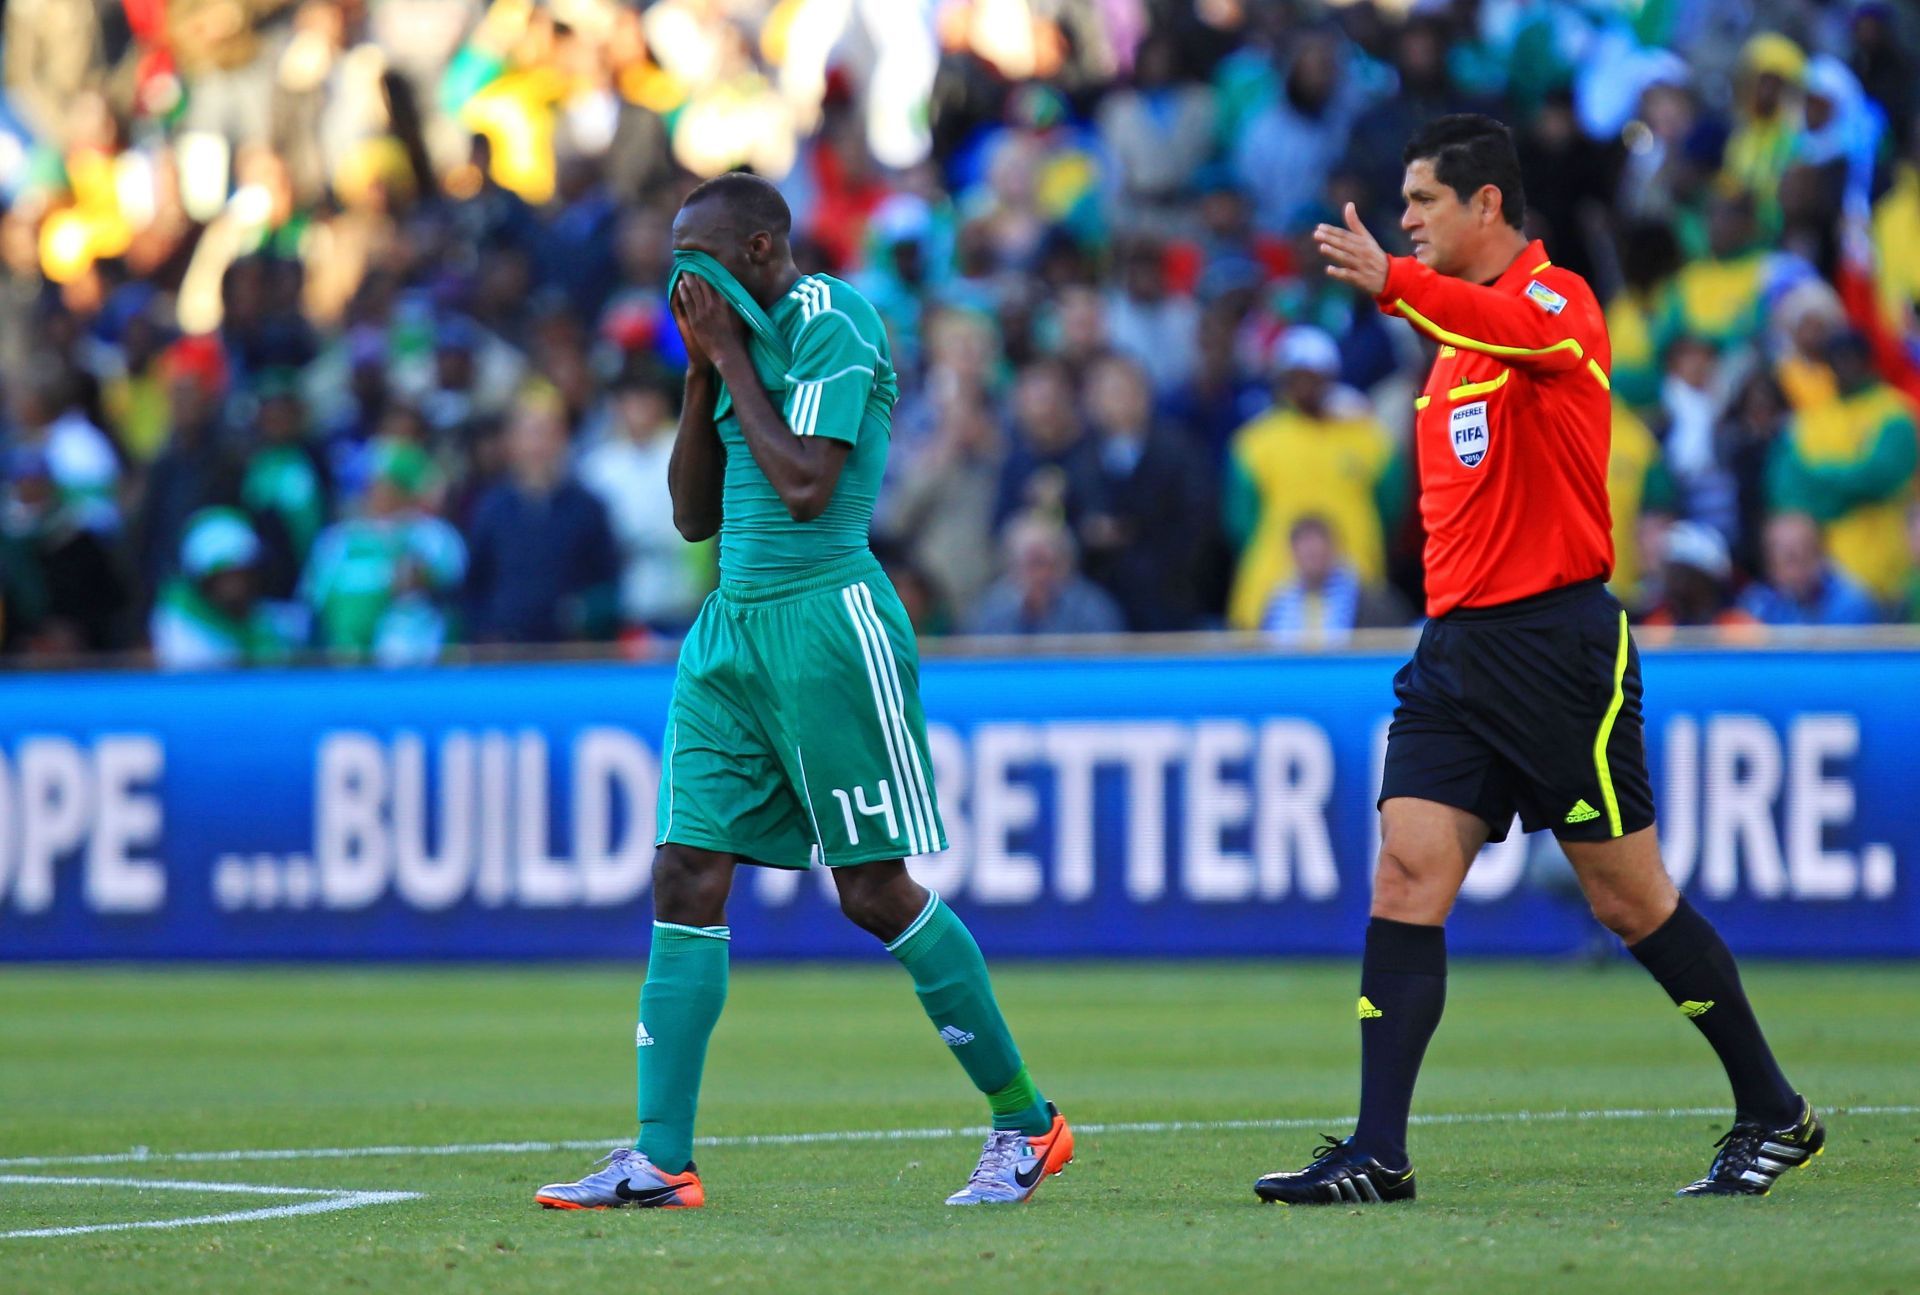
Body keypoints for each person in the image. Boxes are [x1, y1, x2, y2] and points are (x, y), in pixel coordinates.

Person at [1259, 115, 1820, 1207]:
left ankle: (1773, 1107)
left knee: (1628, 898)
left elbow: (1516, 328)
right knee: (1407, 868)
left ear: (1488, 206)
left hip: (1557, 644)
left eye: (1423, 200)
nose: (1406, 219)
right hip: (1456, 647)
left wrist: (1391, 287)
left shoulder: (1556, 303)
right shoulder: (1455, 341)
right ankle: (1379, 1149)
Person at [534, 174, 1071, 1213]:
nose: (683, 276)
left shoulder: (835, 321)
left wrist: (730, 357)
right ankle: (661, 1156)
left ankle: (1026, 1119)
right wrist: (699, 381)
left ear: (763, 248)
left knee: (871, 889)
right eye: (673, 257)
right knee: (685, 870)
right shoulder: (719, 347)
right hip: (731, 628)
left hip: (830, 621)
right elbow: (694, 515)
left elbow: (806, 484)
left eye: (702, 255)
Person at [1224, 325, 1399, 630]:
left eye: (1314, 376)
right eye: (1295, 377)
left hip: (1356, 588)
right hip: (1273, 590)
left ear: (1331, 378)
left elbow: (1392, 506)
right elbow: (1240, 521)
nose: (1304, 386)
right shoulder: (1254, 442)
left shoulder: (1369, 437)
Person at [464, 390, 621, 644]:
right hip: (504, 652)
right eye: (529, 433)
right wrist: (486, 633)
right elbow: (475, 585)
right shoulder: (491, 508)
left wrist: (588, 620)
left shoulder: (588, 507)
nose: (538, 445)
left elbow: (608, 581)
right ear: (511, 441)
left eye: (547, 433)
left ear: (563, 438)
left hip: (570, 653)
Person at [149, 507, 300, 669]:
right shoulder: (178, 623)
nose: (237, 584)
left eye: (243, 571)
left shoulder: (270, 621)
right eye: (225, 574)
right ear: (202, 579)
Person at [965, 512, 1126, 637]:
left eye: (1043, 563)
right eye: (1029, 564)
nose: (1038, 575)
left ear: (1065, 563)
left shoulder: (1093, 611)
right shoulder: (989, 611)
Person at [1261, 515, 1409, 646]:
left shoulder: (1372, 602)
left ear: (1334, 549)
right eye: (1307, 555)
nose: (1312, 560)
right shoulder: (1276, 606)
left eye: (1317, 554)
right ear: (1292, 554)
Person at [1737, 512, 1881, 626]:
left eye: (1804, 552)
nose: (1795, 569)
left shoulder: (1852, 604)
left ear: (1821, 553)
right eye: (1786, 557)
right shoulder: (1755, 604)